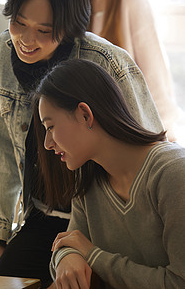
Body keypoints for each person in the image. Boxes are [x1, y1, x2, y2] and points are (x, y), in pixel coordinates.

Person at [0, 0, 165, 287]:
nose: (26, 39)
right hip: (42, 217)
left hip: (101, 226)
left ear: (69, 27)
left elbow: (146, 151)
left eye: (43, 30)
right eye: (19, 23)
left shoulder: (106, 61)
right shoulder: (5, 50)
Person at [35, 58, 185, 289]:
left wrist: (92, 255)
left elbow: (179, 282)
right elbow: (70, 242)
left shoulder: (174, 173)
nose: (47, 143)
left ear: (84, 114)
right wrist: (66, 256)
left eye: (51, 127)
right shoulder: (88, 179)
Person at [89, 0, 180, 141]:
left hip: (133, 140)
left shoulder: (132, 3)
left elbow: (156, 86)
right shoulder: (69, 7)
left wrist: (166, 143)